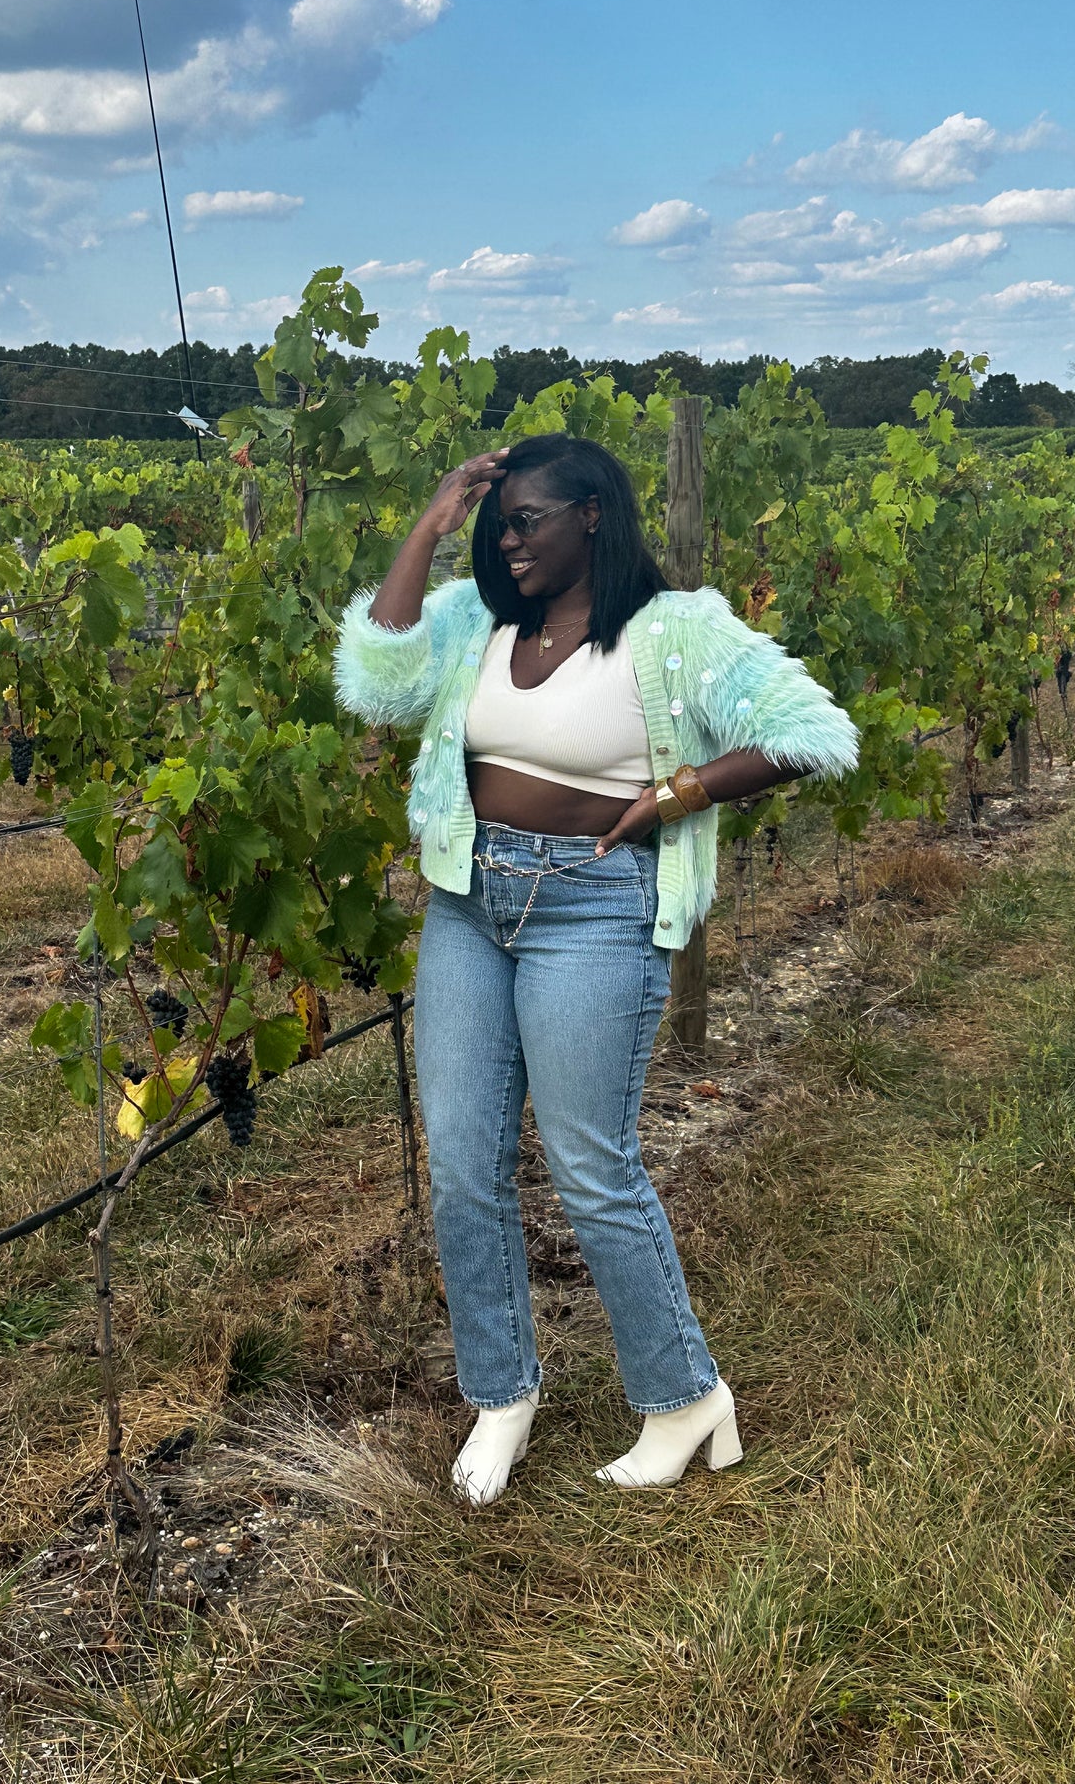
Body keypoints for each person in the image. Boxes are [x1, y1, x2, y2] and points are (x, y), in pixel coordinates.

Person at [335, 433, 857, 1505]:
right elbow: (375, 682)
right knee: (463, 1165)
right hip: (466, 900)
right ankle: (500, 1393)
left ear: (592, 519)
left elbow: (813, 732)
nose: (507, 539)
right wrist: (432, 525)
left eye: (526, 519)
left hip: (593, 907)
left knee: (588, 1165)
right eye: (497, 522)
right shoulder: (478, 620)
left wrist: (679, 794)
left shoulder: (673, 634)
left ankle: (682, 1396)